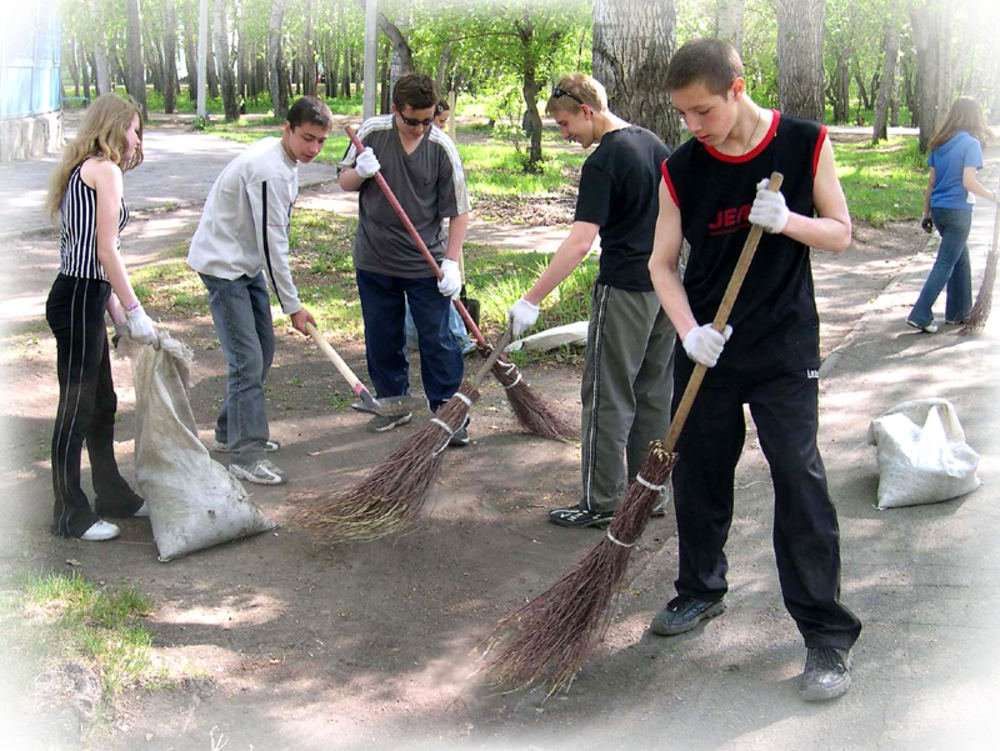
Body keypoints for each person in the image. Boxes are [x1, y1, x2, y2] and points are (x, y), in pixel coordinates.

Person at [646, 38, 862, 702]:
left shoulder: (802, 143)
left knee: (798, 473)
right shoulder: (682, 167)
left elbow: (841, 230)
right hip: (711, 347)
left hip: (782, 346)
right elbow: (661, 264)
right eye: (683, 113)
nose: (693, 125)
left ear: (738, 88)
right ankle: (700, 588)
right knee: (702, 472)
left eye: (703, 110)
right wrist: (688, 333)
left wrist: (790, 219)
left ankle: (825, 633)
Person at [507, 73, 675, 528]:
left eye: (564, 125)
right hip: (666, 290)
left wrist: (532, 299)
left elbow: (581, 242)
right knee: (655, 394)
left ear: (587, 110)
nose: (564, 135)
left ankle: (601, 503)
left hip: (624, 291)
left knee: (606, 396)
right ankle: (651, 497)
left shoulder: (604, 161)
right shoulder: (653, 144)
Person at [188, 95, 332, 485]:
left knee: (262, 350)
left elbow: (273, 236)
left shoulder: (287, 162)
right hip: (223, 266)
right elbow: (274, 244)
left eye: (320, 141)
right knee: (247, 360)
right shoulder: (267, 168)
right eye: (307, 138)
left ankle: (227, 431)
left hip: (245, 263)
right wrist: (293, 306)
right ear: (287, 128)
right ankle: (246, 455)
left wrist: (288, 302)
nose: (314, 149)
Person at [44, 93, 157, 541]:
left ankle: (111, 494)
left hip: (84, 296)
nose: (136, 139)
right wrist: (134, 309)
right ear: (113, 127)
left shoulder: (83, 169)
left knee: (102, 403)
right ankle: (69, 513)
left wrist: (115, 313)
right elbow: (105, 250)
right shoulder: (104, 170)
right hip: (76, 299)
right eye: (133, 128)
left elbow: (92, 259)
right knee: (77, 408)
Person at [338, 73, 471, 443]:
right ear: (395, 109)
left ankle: (448, 412)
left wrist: (452, 262)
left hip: (424, 263)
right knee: (382, 335)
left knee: (439, 339)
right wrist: (360, 173)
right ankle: (393, 403)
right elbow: (344, 181)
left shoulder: (441, 147)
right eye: (411, 120)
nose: (419, 128)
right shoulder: (372, 133)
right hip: (374, 258)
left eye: (427, 120)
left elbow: (460, 211)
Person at [908, 97, 997, 333]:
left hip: (939, 211)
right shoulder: (971, 144)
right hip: (958, 212)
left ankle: (958, 313)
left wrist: (925, 214)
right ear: (973, 117)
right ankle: (920, 313)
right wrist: (993, 196)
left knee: (960, 258)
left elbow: (931, 183)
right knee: (946, 261)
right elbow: (969, 181)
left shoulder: (940, 143)